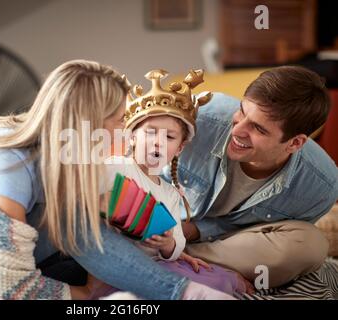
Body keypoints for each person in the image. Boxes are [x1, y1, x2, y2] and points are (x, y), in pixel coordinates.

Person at [0, 59, 230, 300]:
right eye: (115, 118)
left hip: (7, 262)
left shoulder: (67, 153)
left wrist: (172, 255)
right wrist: (77, 295)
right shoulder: (6, 163)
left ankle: (182, 294)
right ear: (87, 119)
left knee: (85, 222)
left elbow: (100, 221)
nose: (119, 128)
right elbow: (7, 272)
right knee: (78, 238)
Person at [163, 66, 338, 288]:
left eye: (258, 129)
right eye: (242, 112)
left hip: (228, 244)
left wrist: (197, 231)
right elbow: (134, 171)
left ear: (295, 143)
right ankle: (187, 261)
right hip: (163, 223)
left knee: (312, 245)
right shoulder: (194, 119)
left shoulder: (321, 187)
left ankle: (178, 257)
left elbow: (265, 237)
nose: (237, 131)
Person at [88, 69, 250, 298]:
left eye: (169, 137)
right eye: (150, 132)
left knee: (215, 280)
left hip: (156, 265)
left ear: (180, 148)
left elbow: (177, 245)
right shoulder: (114, 167)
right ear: (132, 135)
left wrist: (168, 244)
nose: (158, 143)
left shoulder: (171, 194)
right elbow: (85, 201)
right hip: (118, 264)